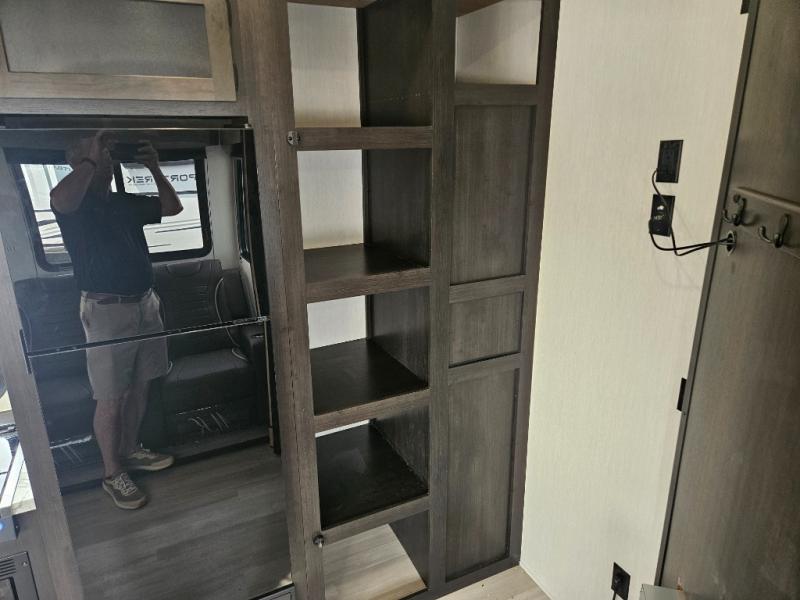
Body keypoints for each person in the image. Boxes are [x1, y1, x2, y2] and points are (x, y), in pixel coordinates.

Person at [50, 131, 183, 510]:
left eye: (108, 154)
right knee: (110, 397)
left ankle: (129, 449)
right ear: (79, 161)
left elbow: (172, 207)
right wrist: (90, 159)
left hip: (146, 304)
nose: (107, 158)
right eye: (99, 153)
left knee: (141, 385)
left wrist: (154, 168)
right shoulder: (75, 206)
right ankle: (112, 473)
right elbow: (58, 199)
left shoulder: (124, 203)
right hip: (106, 310)